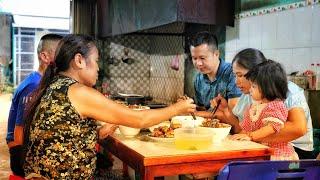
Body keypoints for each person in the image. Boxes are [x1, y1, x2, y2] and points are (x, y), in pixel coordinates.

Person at [22, 34, 196, 179]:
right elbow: (140, 119)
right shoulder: (78, 91)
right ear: (79, 60)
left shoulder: (55, 85)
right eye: (96, 61)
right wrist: (177, 108)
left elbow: (66, 134)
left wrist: (98, 133)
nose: (98, 67)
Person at [212, 48, 314, 159]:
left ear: (258, 72)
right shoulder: (249, 94)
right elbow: (243, 129)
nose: (236, 82)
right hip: (259, 145)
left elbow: (298, 129)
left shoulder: (286, 90)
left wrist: (251, 137)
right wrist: (226, 111)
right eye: (235, 75)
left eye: (240, 75)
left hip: (292, 151)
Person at [5, 33, 62, 177]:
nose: (66, 59)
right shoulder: (34, 86)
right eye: (61, 53)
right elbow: (19, 135)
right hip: (21, 156)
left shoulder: (39, 81)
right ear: (44, 57)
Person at [231, 60, 299, 160]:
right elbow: (246, 129)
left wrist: (251, 136)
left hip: (277, 155)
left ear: (267, 88)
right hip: (262, 150)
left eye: (253, 86)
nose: (250, 89)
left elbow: (271, 127)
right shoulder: (255, 106)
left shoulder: (275, 106)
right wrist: (236, 138)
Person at [190, 31, 241, 117]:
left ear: (216, 54)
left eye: (202, 58)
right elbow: (203, 109)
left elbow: (233, 113)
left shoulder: (233, 73)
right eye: (194, 58)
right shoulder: (198, 79)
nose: (198, 63)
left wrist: (196, 114)